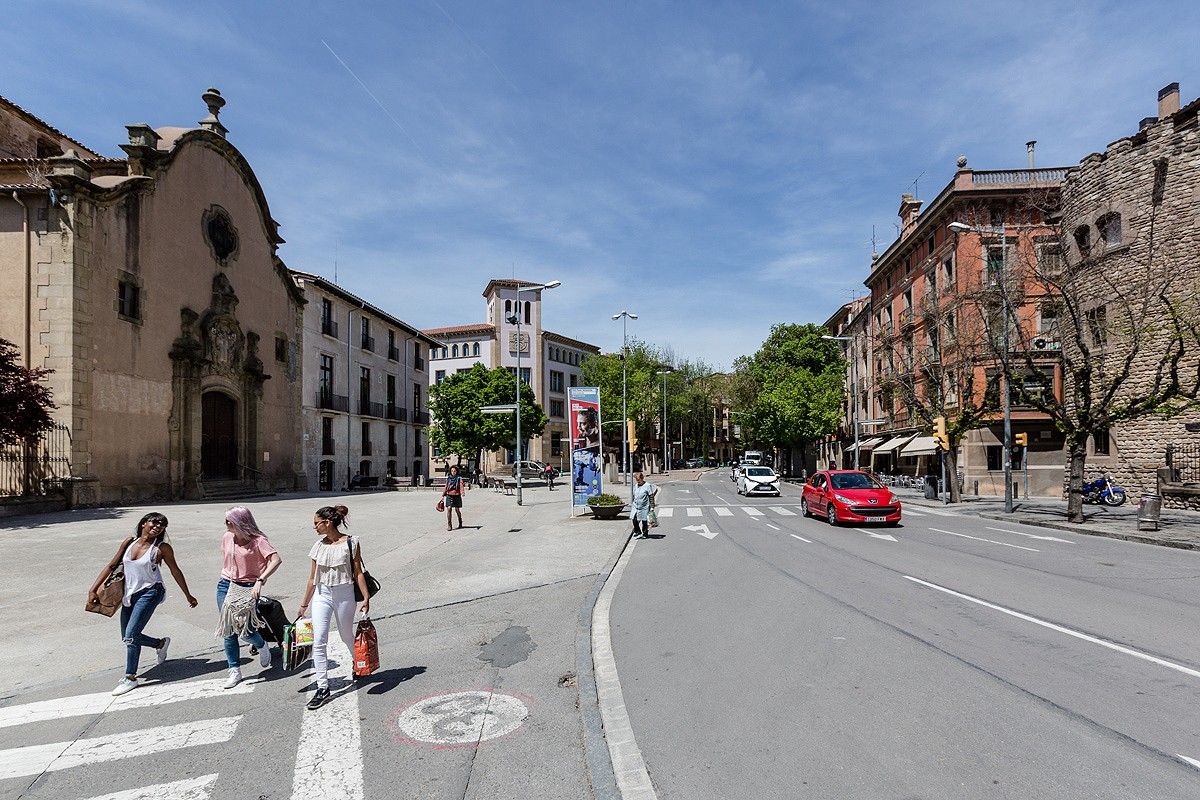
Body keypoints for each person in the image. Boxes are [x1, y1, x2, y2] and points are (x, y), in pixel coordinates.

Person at [89, 512, 199, 696]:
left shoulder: (161, 548)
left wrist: (188, 595)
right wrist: (93, 588)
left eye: (162, 525)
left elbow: (175, 571)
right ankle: (160, 644)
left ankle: (130, 677)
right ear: (143, 524)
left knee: (131, 635)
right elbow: (111, 566)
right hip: (129, 593)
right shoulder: (129, 542)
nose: (158, 526)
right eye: (154, 522)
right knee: (127, 636)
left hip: (151, 591)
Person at [296, 505, 371, 710]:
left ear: (327, 523)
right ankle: (322, 687)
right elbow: (312, 578)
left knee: (347, 635)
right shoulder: (318, 546)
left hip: (344, 593)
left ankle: (358, 664)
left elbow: (358, 573)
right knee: (319, 641)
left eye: (316, 523)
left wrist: (365, 597)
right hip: (322, 594)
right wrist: (304, 604)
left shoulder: (351, 543)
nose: (314, 528)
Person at [216, 506, 282, 689]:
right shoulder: (227, 537)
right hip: (225, 585)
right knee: (228, 629)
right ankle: (234, 670)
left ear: (240, 522)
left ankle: (261, 645)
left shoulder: (258, 540)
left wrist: (260, 580)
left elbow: (276, 560)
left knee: (245, 631)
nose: (226, 524)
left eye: (229, 521)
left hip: (247, 587)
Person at [631, 472, 657, 539]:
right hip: (636, 506)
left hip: (644, 506)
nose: (638, 482)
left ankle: (645, 533)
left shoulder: (647, 485)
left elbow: (651, 496)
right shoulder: (636, 485)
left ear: (642, 478)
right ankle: (638, 531)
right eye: (637, 480)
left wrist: (652, 506)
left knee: (644, 521)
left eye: (639, 480)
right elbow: (634, 495)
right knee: (634, 519)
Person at [444, 464, 466, 530]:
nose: (453, 472)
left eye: (454, 471)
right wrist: (443, 494)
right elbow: (446, 486)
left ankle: (460, 521)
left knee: (457, 510)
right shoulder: (449, 478)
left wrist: (462, 492)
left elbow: (461, 485)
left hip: (456, 495)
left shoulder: (459, 478)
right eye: (452, 471)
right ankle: (449, 525)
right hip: (449, 495)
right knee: (449, 508)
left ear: (456, 472)